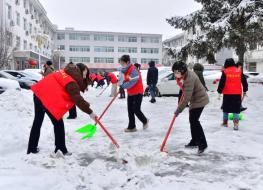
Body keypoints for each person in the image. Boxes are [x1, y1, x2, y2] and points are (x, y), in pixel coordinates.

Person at [27, 63, 97, 155]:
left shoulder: (65, 72)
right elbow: (78, 100)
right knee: (58, 123)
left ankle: (31, 148)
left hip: (39, 92)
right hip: (45, 96)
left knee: (37, 122)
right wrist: (91, 113)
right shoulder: (71, 81)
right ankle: (61, 149)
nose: (85, 76)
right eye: (85, 72)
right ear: (82, 70)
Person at [173, 61, 209, 154]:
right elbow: (183, 90)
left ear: (182, 71)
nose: (175, 74)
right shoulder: (184, 75)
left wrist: (178, 110)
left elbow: (186, 98)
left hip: (199, 100)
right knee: (192, 120)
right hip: (195, 99)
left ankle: (202, 144)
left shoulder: (189, 78)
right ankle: (194, 141)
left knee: (194, 121)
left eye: (176, 72)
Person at [119, 55, 149, 132]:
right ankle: (132, 127)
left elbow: (132, 82)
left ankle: (145, 120)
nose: (121, 64)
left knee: (136, 109)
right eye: (121, 63)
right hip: (131, 92)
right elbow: (124, 79)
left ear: (127, 62)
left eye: (122, 63)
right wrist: (121, 82)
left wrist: (123, 86)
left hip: (138, 92)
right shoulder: (125, 70)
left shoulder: (133, 70)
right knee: (130, 110)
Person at [217, 58, 248, 130]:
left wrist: (219, 91)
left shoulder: (225, 72)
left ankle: (225, 123)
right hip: (237, 94)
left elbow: (222, 82)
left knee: (225, 108)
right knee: (236, 109)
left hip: (227, 93)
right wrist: (245, 90)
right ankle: (236, 124)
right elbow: (244, 81)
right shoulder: (239, 71)